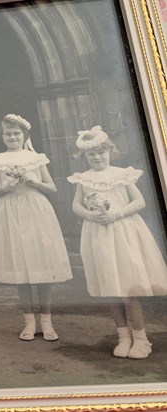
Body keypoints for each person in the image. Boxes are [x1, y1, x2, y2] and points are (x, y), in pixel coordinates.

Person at [68, 126, 167, 358]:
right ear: (85, 157)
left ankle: (141, 339)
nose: (97, 157)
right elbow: (76, 205)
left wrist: (115, 214)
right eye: (92, 154)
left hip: (123, 232)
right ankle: (123, 337)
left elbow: (139, 201)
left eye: (102, 152)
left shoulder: (122, 174)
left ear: (110, 152)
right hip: (98, 234)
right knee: (110, 290)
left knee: (128, 290)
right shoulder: (83, 179)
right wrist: (90, 215)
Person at [0, 114, 72, 341]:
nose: (12, 137)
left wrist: (33, 182)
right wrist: (4, 186)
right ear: (1, 135)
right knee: (21, 268)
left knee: (41, 266)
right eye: (7, 134)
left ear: (24, 135)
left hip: (35, 209)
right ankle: (29, 322)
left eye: (16, 133)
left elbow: (52, 188)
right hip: (10, 212)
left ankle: (47, 321)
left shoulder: (36, 158)